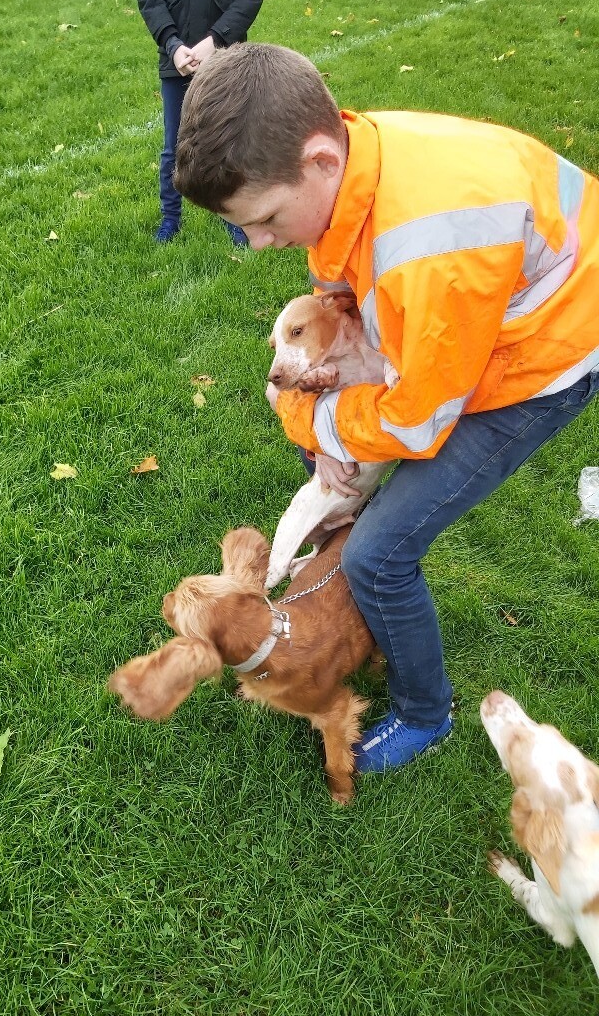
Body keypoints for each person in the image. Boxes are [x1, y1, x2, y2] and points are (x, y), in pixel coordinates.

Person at [174, 42, 599, 772]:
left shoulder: (428, 248)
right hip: (486, 319)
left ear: (319, 161)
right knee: (347, 470)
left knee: (379, 555)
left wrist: (302, 417)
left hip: (545, 359)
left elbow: (415, 420)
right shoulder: (353, 162)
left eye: (267, 217)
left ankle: (425, 714)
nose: (258, 243)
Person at [136, 0, 264, 244]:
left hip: (224, 55)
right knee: (174, 146)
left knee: (227, 140)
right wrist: (171, 44)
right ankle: (170, 218)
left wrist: (217, 38)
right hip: (177, 60)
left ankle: (232, 215)